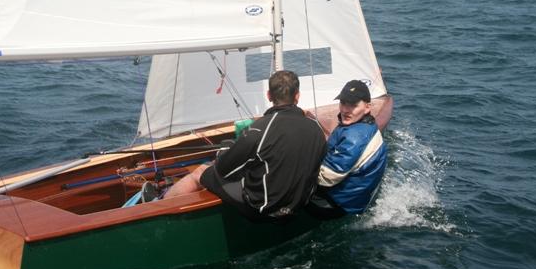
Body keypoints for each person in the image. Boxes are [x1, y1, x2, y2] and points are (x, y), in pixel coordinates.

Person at [161, 70, 326, 221]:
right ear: (297, 96)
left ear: (269, 95)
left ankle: (161, 205)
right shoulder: (316, 129)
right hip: (298, 206)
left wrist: (224, 153)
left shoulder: (259, 130)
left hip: (264, 210)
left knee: (201, 172)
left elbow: (223, 169)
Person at [307, 80, 387, 219]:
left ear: (367, 107)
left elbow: (328, 177)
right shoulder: (367, 125)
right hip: (355, 197)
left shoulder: (354, 138)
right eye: (343, 103)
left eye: (353, 105)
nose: (345, 110)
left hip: (340, 205)